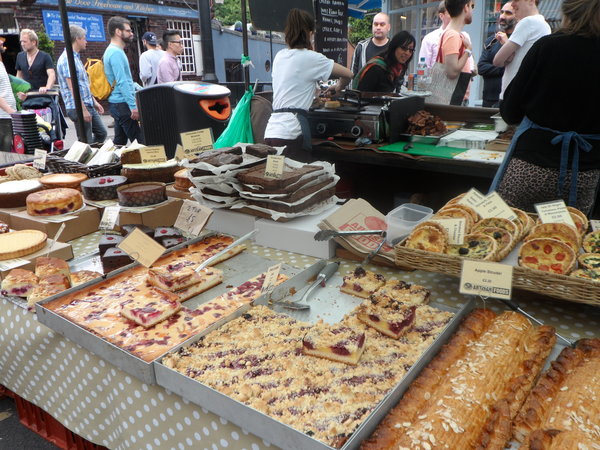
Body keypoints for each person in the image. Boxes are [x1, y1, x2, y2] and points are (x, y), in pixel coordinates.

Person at [490, 0, 600, 216]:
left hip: (531, 166)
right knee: (565, 241)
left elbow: (510, 110)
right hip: (584, 175)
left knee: (505, 232)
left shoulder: (548, 45)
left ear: (567, 11)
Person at [264, 8, 353, 163]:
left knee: (275, 179)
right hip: (292, 132)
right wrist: (338, 87)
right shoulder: (311, 58)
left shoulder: (280, 56)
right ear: (310, 33)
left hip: (272, 132)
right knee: (296, 182)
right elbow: (348, 74)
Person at [56, 25, 107, 144]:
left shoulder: (75, 58)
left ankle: (91, 155)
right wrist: (83, 110)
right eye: (84, 38)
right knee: (85, 141)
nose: (86, 41)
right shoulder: (67, 59)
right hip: (77, 106)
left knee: (101, 133)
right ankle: (85, 159)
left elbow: (82, 85)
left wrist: (94, 101)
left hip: (87, 103)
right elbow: (73, 87)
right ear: (77, 39)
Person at [493, 0, 550, 100]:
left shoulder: (528, 22)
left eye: (516, 0)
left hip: (513, 96)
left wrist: (507, 52)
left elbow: (497, 61)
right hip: (529, 94)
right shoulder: (545, 26)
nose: (513, 4)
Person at [103, 16, 143, 145]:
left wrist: (137, 86)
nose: (132, 33)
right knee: (140, 143)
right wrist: (133, 106)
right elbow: (122, 82)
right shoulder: (115, 53)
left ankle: (109, 163)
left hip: (117, 104)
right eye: (128, 31)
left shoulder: (113, 51)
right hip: (122, 104)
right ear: (118, 32)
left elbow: (124, 80)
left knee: (119, 142)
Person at [436, 0, 476, 106]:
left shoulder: (454, 34)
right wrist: (468, 50)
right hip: (453, 99)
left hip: (455, 97)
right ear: (466, 7)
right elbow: (452, 72)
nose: (472, 11)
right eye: (472, 6)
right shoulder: (452, 35)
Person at [477, 2, 516, 107]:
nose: (502, 16)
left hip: (509, 100)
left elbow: (517, 68)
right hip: (488, 101)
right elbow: (481, 67)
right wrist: (504, 68)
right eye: (502, 12)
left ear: (517, 15)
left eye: (508, 13)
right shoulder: (492, 40)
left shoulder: (517, 41)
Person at [15, 29, 55, 94]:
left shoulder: (45, 56)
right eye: (21, 41)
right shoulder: (20, 56)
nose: (22, 44)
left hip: (42, 95)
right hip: (27, 95)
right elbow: (19, 76)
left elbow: (51, 74)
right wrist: (18, 90)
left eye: (25, 41)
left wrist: (47, 87)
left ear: (34, 42)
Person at [0, 55, 17, 152]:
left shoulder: (1, 64)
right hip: (2, 117)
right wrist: (10, 111)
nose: (2, 41)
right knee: (4, 156)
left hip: (6, 117)